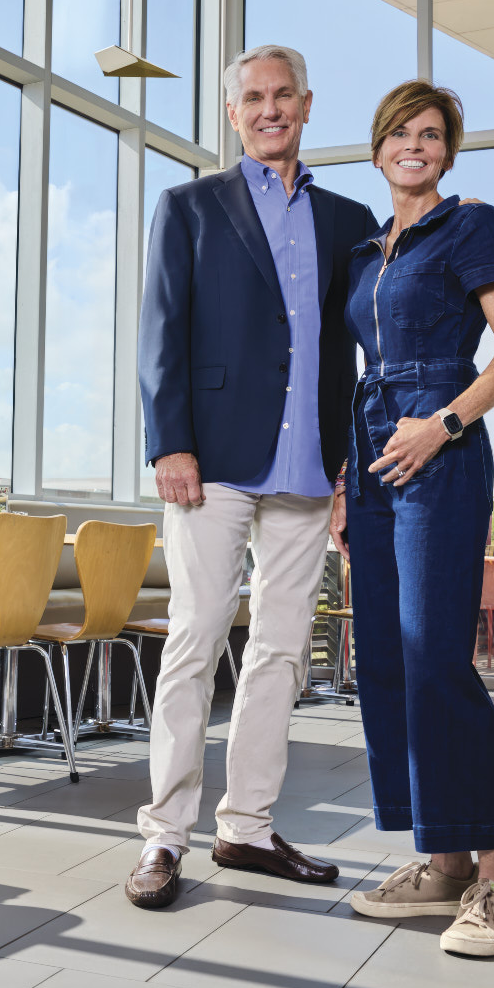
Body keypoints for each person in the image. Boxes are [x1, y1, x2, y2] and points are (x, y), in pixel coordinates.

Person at [128, 45, 379, 910]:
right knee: (194, 645)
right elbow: (162, 334)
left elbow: (359, 350)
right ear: (233, 113)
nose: (269, 109)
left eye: (283, 96)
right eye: (252, 99)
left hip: (311, 467)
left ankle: (247, 828)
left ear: (306, 105)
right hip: (212, 465)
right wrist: (169, 443)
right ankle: (164, 838)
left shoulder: (350, 221)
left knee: (280, 654)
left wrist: (351, 463)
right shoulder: (189, 208)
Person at [334, 80, 494, 957]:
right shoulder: (362, 252)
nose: (414, 145)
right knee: (382, 657)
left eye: (431, 134)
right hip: (373, 452)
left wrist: (444, 423)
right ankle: (444, 859)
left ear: (448, 154)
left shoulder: (472, 226)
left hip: (439, 446)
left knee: (435, 658)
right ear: (379, 148)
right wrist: (349, 477)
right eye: (399, 133)